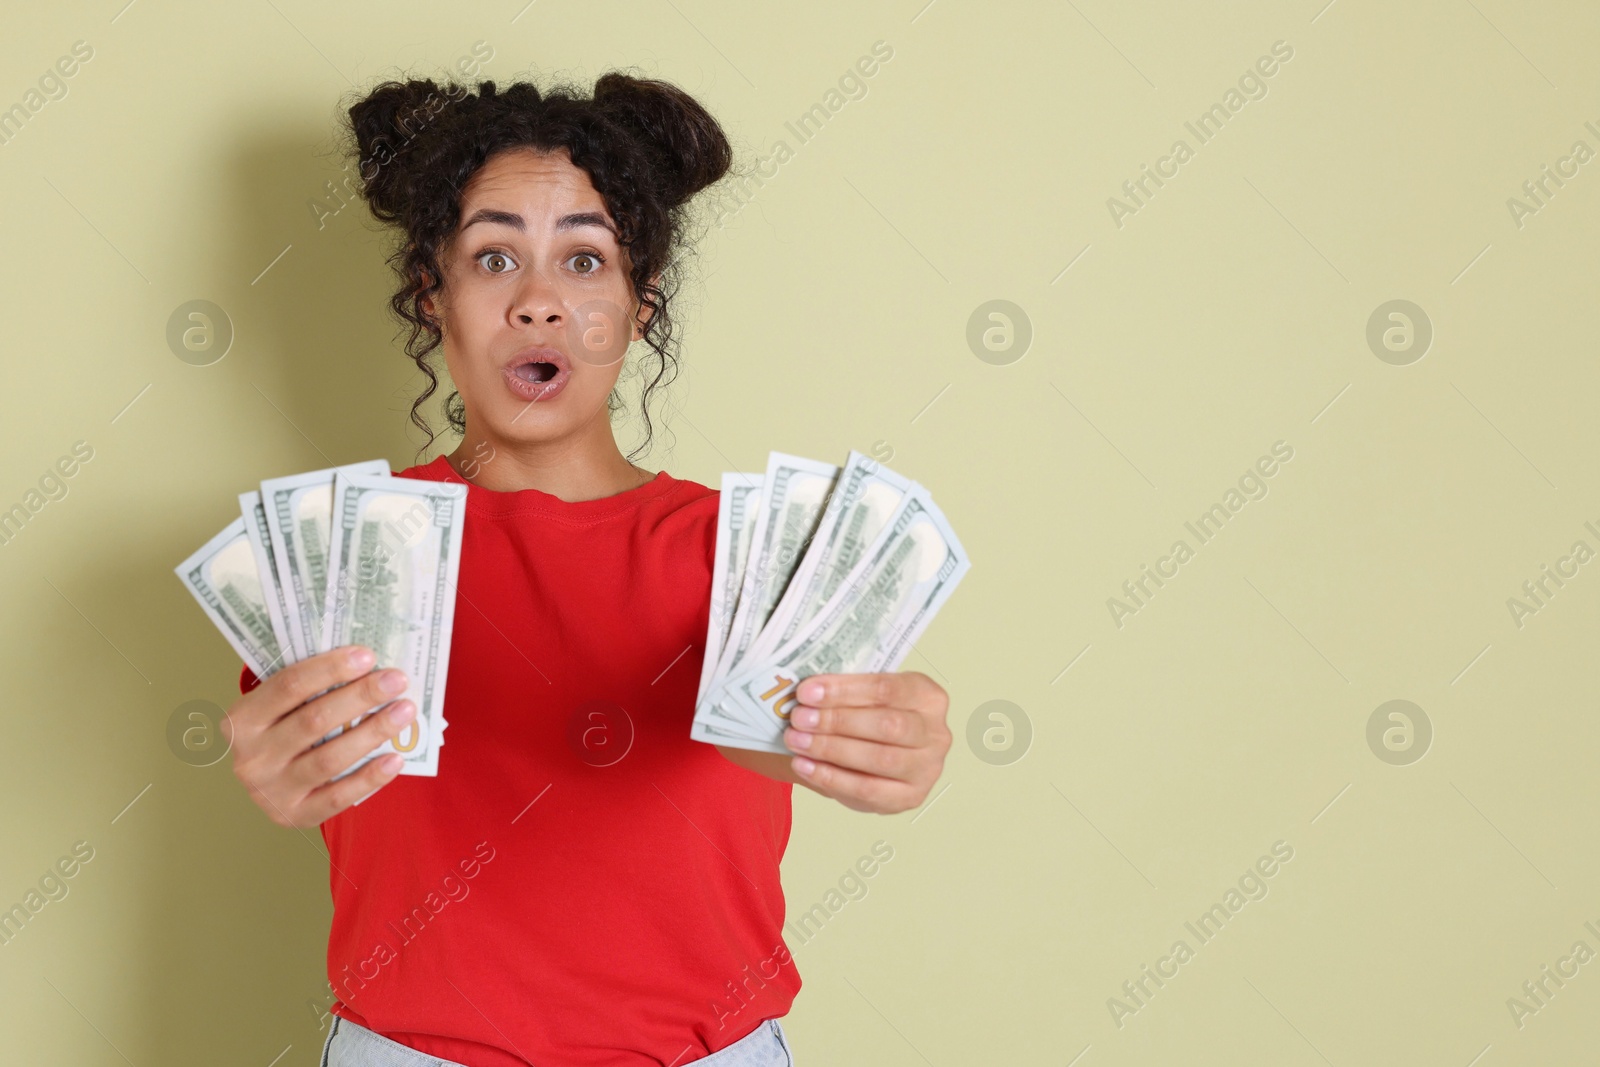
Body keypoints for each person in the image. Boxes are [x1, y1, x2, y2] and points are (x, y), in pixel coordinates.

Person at [220, 71, 954, 1067]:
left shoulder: (741, 551)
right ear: (432, 295)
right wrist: (274, 769)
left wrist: (874, 745)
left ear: (637, 305)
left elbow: (787, 737)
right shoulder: (341, 555)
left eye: (582, 258)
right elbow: (303, 771)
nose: (538, 303)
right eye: (493, 257)